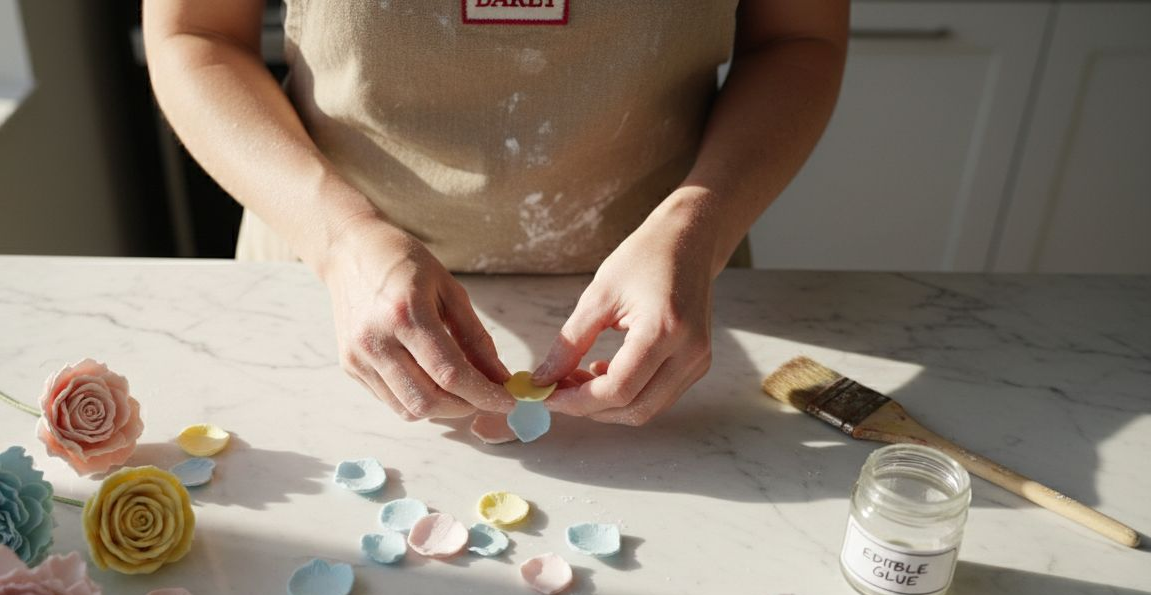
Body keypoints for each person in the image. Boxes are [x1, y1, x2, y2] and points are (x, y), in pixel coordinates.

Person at [144, 0, 849, 425]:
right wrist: (339, 239)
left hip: (669, 301)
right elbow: (194, 34)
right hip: (326, 283)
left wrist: (701, 222)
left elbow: (798, 38)